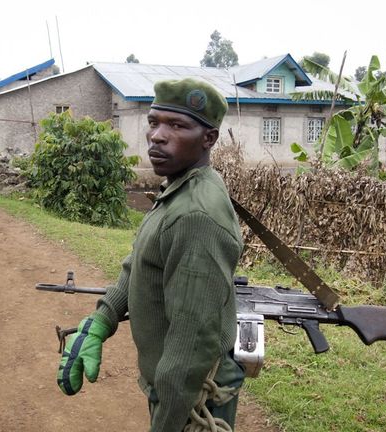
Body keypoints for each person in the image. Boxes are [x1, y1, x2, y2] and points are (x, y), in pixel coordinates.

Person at [56, 78, 245, 431]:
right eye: (154, 122)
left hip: (193, 399)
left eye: (177, 125)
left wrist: (167, 422)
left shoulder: (196, 217)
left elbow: (191, 346)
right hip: (177, 387)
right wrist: (103, 318)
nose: (157, 135)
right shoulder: (180, 185)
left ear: (209, 138)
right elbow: (142, 262)